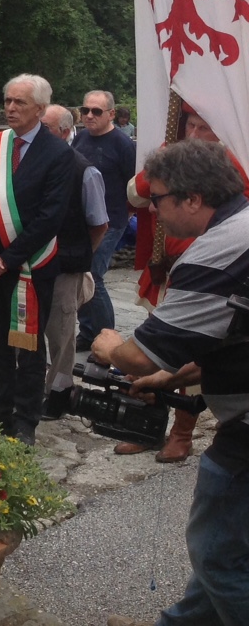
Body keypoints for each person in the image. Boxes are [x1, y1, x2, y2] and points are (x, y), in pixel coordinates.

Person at [92, 141, 249, 626]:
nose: (152, 212)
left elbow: (138, 355)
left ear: (193, 199)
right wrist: (175, 373)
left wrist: (110, 348)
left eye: (156, 200)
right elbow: (234, 337)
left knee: (219, 556)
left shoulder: (217, 251)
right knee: (223, 549)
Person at [0, 74, 74, 445]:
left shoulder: (59, 154)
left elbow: (50, 217)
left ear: (40, 110)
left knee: (26, 345)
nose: (10, 108)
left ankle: (26, 416)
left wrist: (8, 259)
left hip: (29, 266)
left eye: (19, 103)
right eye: (7, 100)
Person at [38, 104, 108, 420]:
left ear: (65, 132)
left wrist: (80, 256)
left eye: (46, 128)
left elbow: (99, 224)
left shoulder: (85, 171)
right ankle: (31, 384)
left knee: (62, 335)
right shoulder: (31, 163)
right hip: (32, 265)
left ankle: (59, 392)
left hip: (65, 267)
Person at [73, 90, 136, 350]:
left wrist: (127, 215)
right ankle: (88, 332)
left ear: (111, 113)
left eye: (96, 111)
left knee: (93, 275)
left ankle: (106, 337)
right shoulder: (80, 139)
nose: (89, 115)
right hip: (83, 219)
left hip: (110, 220)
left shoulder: (122, 144)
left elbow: (134, 184)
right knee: (81, 274)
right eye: (85, 110)